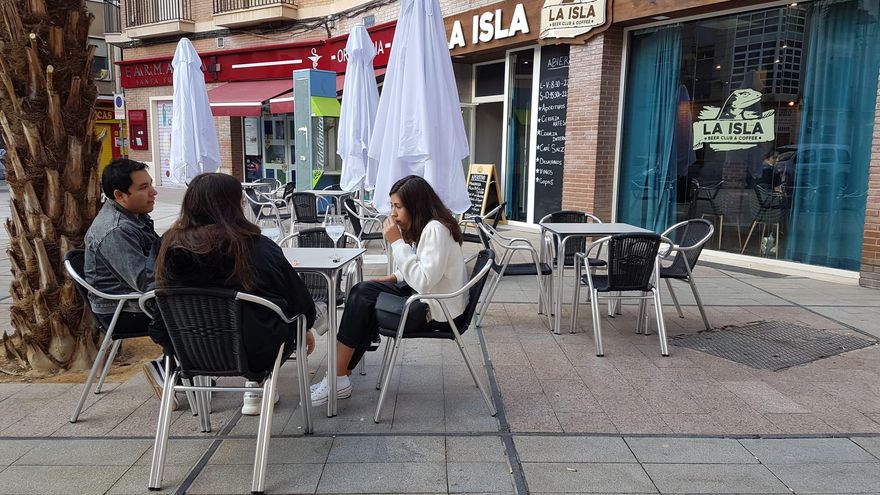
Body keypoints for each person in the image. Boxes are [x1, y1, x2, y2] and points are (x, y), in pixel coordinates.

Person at [153, 173, 317, 415]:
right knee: (294, 320)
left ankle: (210, 416)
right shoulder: (256, 246)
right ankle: (256, 384)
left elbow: (157, 300)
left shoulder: (167, 245)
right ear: (233, 205)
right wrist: (306, 326)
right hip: (255, 352)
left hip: (187, 349)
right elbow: (300, 303)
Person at [310, 175, 468, 406]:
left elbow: (423, 281)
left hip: (438, 310)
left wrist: (396, 242)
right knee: (361, 294)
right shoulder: (429, 226)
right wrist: (392, 278)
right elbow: (420, 267)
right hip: (428, 297)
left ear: (416, 206)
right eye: (392, 206)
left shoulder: (435, 230)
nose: (393, 214)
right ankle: (339, 376)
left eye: (398, 207)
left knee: (361, 298)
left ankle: (338, 377)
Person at [83, 159, 170, 404]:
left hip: (134, 299)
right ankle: (171, 368)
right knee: (197, 308)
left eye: (151, 184)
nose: (153, 192)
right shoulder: (116, 230)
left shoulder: (135, 217)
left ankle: (183, 367)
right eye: (143, 188)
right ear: (119, 195)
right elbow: (146, 281)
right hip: (121, 309)